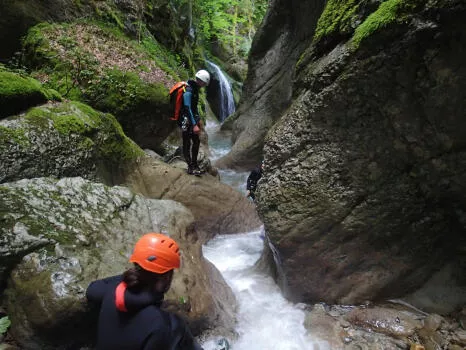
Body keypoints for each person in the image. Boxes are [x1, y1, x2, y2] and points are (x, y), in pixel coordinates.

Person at [86, 233, 203, 350]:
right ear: (167, 277)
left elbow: (92, 290)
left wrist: (124, 280)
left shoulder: (112, 290)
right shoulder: (164, 325)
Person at [180, 69, 210, 176]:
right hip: (186, 121)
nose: (205, 85)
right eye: (205, 83)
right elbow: (187, 107)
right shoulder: (189, 90)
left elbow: (193, 108)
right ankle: (190, 167)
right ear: (201, 81)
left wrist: (197, 120)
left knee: (196, 142)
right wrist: (194, 124)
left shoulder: (195, 89)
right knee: (187, 143)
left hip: (191, 120)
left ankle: (194, 164)